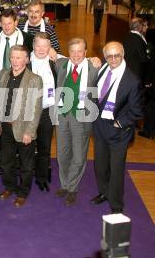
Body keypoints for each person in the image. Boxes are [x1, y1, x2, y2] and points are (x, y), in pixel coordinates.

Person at [91, 41, 143, 213]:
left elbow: (136, 111)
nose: (113, 59)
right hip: (99, 127)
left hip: (118, 131)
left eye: (117, 55)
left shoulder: (132, 81)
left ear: (123, 55)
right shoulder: (103, 69)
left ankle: (116, 205)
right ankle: (104, 192)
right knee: (100, 165)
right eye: (109, 56)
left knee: (116, 169)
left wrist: (119, 123)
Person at [55, 38, 99, 206]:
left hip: (82, 116)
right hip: (63, 115)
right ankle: (65, 184)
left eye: (79, 51)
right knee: (62, 154)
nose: (76, 55)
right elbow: (47, 52)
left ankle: (72, 188)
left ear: (86, 52)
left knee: (79, 156)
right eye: (72, 51)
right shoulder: (62, 65)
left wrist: (98, 59)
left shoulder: (94, 68)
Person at [0, 45, 43, 207]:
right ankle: (9, 187)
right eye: (13, 57)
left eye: (19, 57)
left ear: (26, 59)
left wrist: (29, 132)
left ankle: (23, 192)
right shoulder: (3, 74)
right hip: (5, 127)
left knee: (26, 164)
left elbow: (36, 108)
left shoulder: (34, 79)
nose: (15, 61)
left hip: (24, 129)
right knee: (6, 161)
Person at [29, 33, 57, 192]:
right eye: (38, 45)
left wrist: (93, 60)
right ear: (33, 46)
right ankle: (25, 177)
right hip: (29, 112)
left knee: (44, 147)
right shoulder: (25, 62)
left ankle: (41, 178)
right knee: (27, 146)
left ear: (50, 47)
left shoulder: (55, 62)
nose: (41, 49)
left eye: (45, 46)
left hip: (47, 111)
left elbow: (77, 59)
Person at [0, 9, 33, 74]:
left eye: (9, 23)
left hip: (20, 79)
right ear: (0, 24)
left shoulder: (28, 39)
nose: (6, 26)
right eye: (4, 23)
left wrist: (50, 49)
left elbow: (39, 47)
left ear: (16, 23)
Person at [123, 17, 148, 82]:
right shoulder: (138, 39)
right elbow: (143, 58)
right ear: (139, 27)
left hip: (128, 70)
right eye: (143, 25)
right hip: (136, 73)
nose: (146, 27)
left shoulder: (127, 36)